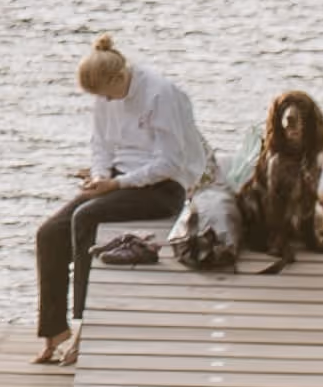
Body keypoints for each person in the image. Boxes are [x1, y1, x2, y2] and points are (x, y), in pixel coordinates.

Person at [35, 38, 216, 360]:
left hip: (164, 187)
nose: (104, 100)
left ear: (119, 78)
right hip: (119, 180)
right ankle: (54, 329)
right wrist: (100, 176)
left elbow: (170, 163)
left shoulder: (160, 94)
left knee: (85, 217)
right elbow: (101, 146)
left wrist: (117, 184)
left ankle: (84, 325)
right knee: (49, 233)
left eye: (106, 93)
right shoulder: (105, 96)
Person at [232, 89, 323, 274]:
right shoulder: (275, 158)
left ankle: (311, 239)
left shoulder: (312, 156)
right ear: (278, 116)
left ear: (309, 117)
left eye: (299, 106)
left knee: (309, 199)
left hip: (288, 212)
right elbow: (272, 200)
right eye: (285, 107)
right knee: (251, 199)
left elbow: (310, 199)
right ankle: (274, 241)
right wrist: (279, 241)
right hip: (263, 213)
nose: (290, 114)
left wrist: (313, 241)